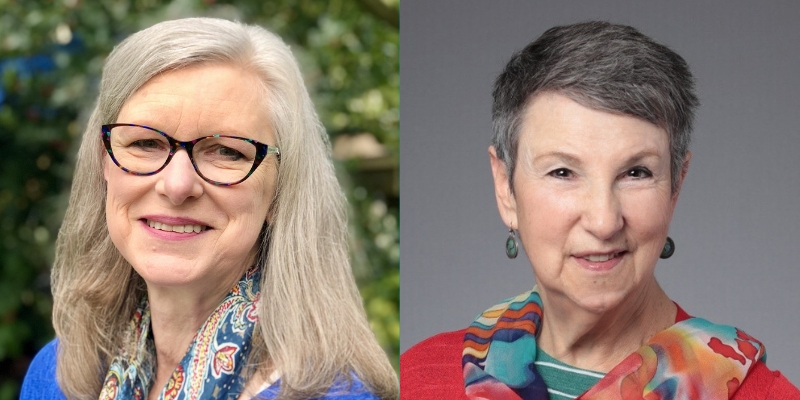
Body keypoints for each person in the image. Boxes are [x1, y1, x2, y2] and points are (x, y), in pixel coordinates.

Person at [400, 21, 799, 399]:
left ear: (677, 184)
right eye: (562, 171)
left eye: (636, 172)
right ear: (506, 188)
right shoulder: (416, 380)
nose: (604, 221)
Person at [20, 17, 398, 400]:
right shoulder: (53, 377)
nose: (177, 184)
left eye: (226, 151)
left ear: (281, 188)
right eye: (145, 143)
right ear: (104, 164)